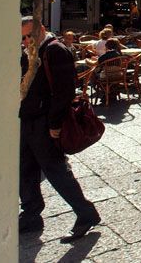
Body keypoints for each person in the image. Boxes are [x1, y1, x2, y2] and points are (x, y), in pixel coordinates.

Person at [19, 17, 100, 240]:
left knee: (55, 170)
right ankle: (31, 213)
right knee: (25, 168)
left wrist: (55, 124)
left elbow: (65, 91)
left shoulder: (55, 50)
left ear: (41, 30)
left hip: (44, 122)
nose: (26, 41)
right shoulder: (30, 51)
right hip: (28, 119)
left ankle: (86, 213)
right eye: (23, 38)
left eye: (30, 36)